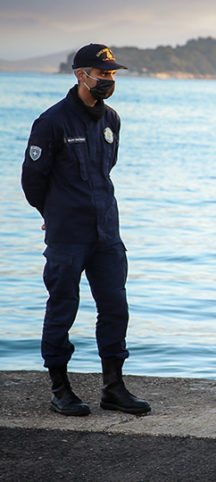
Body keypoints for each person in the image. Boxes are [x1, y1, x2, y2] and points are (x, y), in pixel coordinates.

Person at [21, 43, 150, 416]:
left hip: (107, 232)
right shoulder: (52, 122)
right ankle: (60, 389)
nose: (108, 80)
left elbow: (105, 171)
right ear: (81, 75)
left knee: (115, 308)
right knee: (63, 307)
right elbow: (32, 181)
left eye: (112, 74)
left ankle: (114, 387)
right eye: (102, 73)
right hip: (68, 235)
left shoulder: (111, 120)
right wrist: (52, 212)